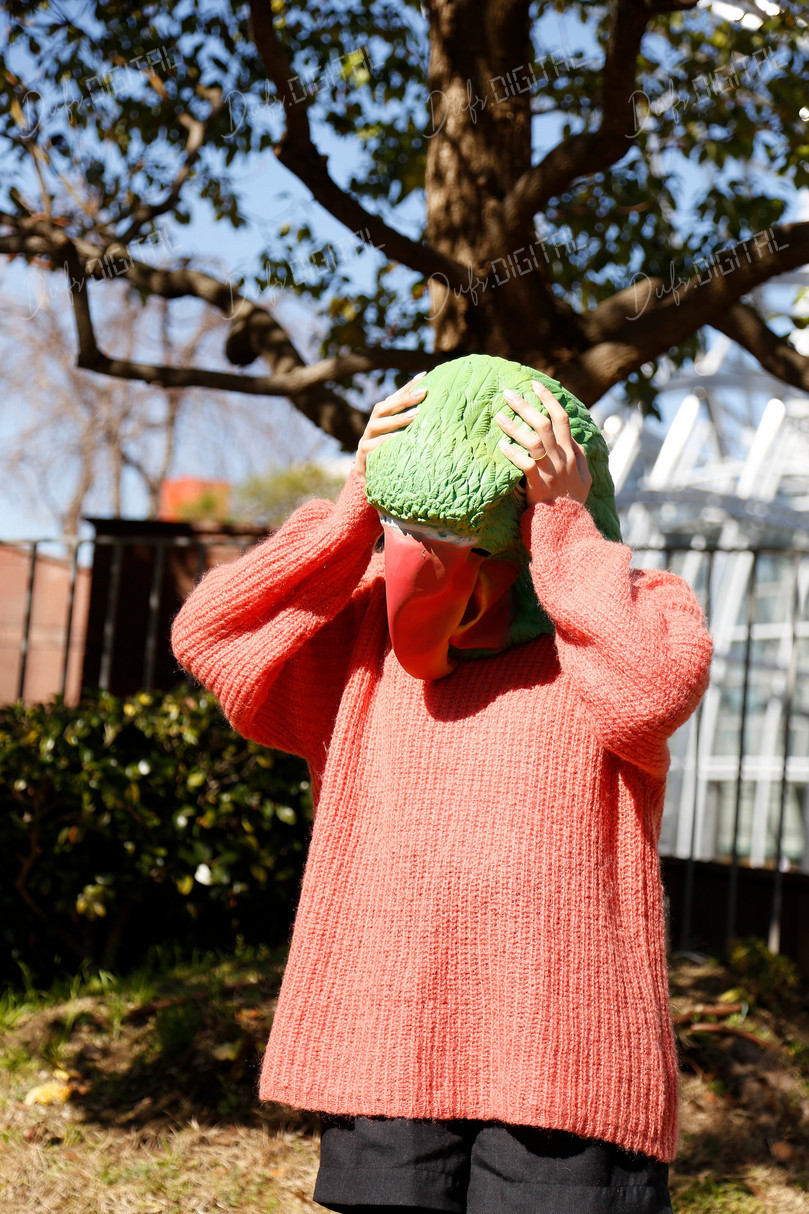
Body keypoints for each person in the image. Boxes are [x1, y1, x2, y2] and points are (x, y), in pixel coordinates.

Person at [171, 361, 713, 1214]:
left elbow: (647, 692)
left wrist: (565, 528)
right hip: (386, 1052)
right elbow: (212, 634)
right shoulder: (363, 644)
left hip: (563, 1062)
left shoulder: (628, 614)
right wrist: (356, 506)